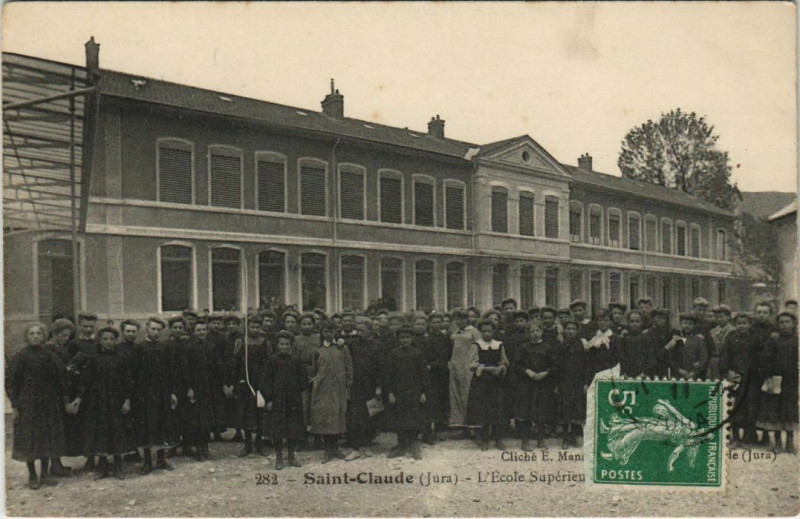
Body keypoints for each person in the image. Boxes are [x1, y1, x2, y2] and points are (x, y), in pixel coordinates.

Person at [5, 323, 71, 489]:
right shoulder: (20, 357)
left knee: (46, 437)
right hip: (28, 403)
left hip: (48, 403)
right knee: (30, 439)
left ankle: (45, 474)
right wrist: (15, 405)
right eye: (32, 334)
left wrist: (62, 396)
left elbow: (62, 377)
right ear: (26, 337)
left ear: (43, 336)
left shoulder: (49, 356)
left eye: (38, 334)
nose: (35, 336)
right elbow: (11, 383)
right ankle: (32, 475)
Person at [74, 327, 135, 479]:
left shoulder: (122, 358)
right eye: (105, 339)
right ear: (100, 341)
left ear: (116, 340)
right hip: (98, 401)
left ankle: (118, 466)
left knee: (117, 431)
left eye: (111, 339)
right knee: (100, 433)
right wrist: (79, 397)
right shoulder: (94, 359)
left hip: (116, 401)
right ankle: (103, 467)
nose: (108, 342)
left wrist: (127, 400)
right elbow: (85, 380)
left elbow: (127, 381)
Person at [134, 317, 179, 474]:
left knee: (162, 424)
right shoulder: (139, 348)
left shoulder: (164, 347)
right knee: (147, 425)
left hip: (162, 392)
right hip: (145, 394)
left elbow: (171, 370)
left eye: (158, 330)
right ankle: (147, 461)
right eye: (153, 329)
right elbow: (135, 373)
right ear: (146, 329)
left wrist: (172, 392)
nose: (155, 332)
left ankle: (161, 459)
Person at [262, 331, 307, 469]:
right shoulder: (271, 361)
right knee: (278, 431)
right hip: (277, 400)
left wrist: (298, 392)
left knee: (292, 429)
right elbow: (266, 382)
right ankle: (279, 458)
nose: (284, 347)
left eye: (287, 344)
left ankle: (291, 456)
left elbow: (303, 381)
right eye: (281, 344)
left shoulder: (296, 361)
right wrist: (269, 399)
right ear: (277, 345)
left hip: (293, 401)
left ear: (291, 345)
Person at [309, 321, 352, 463]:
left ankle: (335, 448)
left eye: (331, 331)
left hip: (338, 387)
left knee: (337, 416)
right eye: (326, 331)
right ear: (322, 333)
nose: (329, 334)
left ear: (335, 332)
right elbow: (313, 369)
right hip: (323, 388)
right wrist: (315, 381)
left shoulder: (342, 349)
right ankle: (327, 449)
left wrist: (348, 382)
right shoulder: (318, 350)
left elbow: (348, 366)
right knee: (325, 416)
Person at [757, 312, 798, 454]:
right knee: (775, 409)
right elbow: (765, 359)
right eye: (782, 322)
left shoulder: (796, 340)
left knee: (790, 410)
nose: (785, 325)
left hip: (792, 381)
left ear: (793, 324)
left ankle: (790, 442)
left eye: (788, 322)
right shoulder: (773, 340)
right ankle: (778, 441)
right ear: (778, 324)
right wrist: (768, 376)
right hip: (776, 379)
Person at [385, 326, 429, 459]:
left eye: (407, 337)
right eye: (402, 338)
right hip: (399, 392)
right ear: (398, 339)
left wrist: (423, 392)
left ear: (412, 339)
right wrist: (390, 393)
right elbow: (388, 375)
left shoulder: (417, 354)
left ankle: (414, 446)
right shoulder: (393, 354)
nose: (405, 340)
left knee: (414, 418)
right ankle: (401, 445)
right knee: (400, 418)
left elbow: (423, 375)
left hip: (414, 391)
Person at [719, 313, 762, 447]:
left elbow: (760, 357)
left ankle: (748, 438)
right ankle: (735, 437)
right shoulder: (731, 338)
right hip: (736, 375)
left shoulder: (755, 339)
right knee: (735, 405)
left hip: (752, 378)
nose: (741, 326)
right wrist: (727, 371)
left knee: (750, 406)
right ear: (735, 324)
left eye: (744, 323)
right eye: (739, 323)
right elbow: (725, 356)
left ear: (750, 325)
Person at [466, 320, 509, 451]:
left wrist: (501, 367)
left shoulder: (499, 345)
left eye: (489, 331)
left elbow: (504, 361)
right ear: (480, 331)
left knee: (497, 408)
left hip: (496, 381)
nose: (487, 333)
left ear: (493, 331)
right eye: (484, 331)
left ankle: (498, 439)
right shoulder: (476, 345)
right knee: (484, 410)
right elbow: (472, 364)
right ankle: (484, 439)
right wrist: (487, 369)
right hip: (482, 381)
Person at [43, 318, 76, 477]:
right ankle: (55, 466)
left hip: (60, 392)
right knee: (54, 430)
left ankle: (57, 464)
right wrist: (66, 370)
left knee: (58, 430)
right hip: (53, 395)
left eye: (68, 336)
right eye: (63, 335)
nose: (66, 339)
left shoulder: (60, 348)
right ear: (55, 334)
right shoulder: (49, 350)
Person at [235, 318, 273, 458]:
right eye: (252, 326)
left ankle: (259, 443)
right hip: (245, 381)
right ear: (247, 327)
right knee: (246, 412)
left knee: (260, 412)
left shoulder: (265, 343)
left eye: (257, 327)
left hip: (261, 381)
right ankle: (247, 444)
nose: (255, 329)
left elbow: (270, 363)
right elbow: (236, 361)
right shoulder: (241, 342)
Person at [181, 319, 218, 461]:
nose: (202, 333)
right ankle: (198, 449)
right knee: (196, 420)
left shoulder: (211, 347)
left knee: (207, 420)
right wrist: (190, 388)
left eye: (204, 330)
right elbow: (185, 369)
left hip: (209, 387)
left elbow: (215, 368)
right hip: (195, 387)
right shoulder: (189, 347)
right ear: (193, 332)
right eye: (199, 330)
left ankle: (205, 447)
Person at [514, 322, 555, 450]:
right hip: (527, 383)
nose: (534, 333)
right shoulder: (524, 347)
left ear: (542, 331)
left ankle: (540, 440)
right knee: (525, 411)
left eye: (537, 330)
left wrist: (545, 373)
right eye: (532, 331)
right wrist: (528, 372)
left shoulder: (548, 348)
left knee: (541, 411)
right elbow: (517, 365)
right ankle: (525, 441)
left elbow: (554, 365)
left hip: (543, 383)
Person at [344, 320, 380, 460]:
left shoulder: (377, 346)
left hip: (371, 384)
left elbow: (380, 367)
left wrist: (379, 386)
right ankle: (355, 446)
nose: (359, 333)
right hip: (356, 384)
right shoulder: (353, 344)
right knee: (355, 414)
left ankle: (367, 441)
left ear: (370, 330)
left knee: (371, 413)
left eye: (363, 331)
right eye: (358, 331)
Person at [448, 309, 481, 435]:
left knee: (468, 395)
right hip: (456, 366)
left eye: (462, 318)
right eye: (457, 318)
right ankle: (463, 426)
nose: (460, 321)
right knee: (457, 395)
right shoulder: (454, 332)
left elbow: (479, 347)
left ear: (467, 319)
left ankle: (474, 427)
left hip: (468, 367)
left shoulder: (473, 331)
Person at [557, 320, 587, 448]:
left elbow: (587, 364)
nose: (570, 331)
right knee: (565, 408)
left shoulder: (582, 345)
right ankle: (565, 437)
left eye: (573, 329)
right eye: (568, 328)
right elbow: (557, 366)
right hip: (565, 380)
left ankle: (574, 436)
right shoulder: (561, 345)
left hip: (578, 381)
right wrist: (557, 384)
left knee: (577, 407)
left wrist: (586, 382)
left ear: (577, 331)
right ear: (564, 331)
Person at [422, 311, 452, 443]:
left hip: (443, 373)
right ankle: (427, 433)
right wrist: (432, 365)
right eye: (434, 322)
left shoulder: (446, 338)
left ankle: (439, 430)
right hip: (431, 374)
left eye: (439, 322)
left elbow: (448, 355)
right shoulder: (426, 339)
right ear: (430, 324)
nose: (437, 325)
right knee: (430, 402)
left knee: (441, 401)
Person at [666, 313, 709, 380]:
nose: (687, 326)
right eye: (685, 323)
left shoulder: (699, 341)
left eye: (690, 324)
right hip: (677, 376)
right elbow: (670, 358)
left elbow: (703, 358)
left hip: (695, 376)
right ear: (681, 324)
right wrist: (679, 370)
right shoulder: (676, 340)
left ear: (694, 325)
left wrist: (694, 372)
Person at [583, 309, 619, 379]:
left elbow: (618, 359)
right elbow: (589, 360)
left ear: (611, 322)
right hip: (594, 373)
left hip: (610, 374)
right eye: (600, 320)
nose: (603, 323)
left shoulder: (615, 339)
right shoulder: (593, 338)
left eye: (606, 321)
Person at [617, 311, 654, 378]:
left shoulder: (646, 338)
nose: (634, 324)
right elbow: (621, 356)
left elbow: (650, 357)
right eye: (632, 321)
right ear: (628, 322)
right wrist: (623, 372)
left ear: (641, 322)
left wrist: (644, 372)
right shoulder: (624, 338)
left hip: (643, 374)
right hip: (627, 374)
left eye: (637, 321)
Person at [707, 305, 736, 380]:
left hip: (727, 362)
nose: (719, 319)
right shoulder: (713, 331)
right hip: (714, 361)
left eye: (721, 316)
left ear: (728, 317)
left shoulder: (733, 331)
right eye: (716, 317)